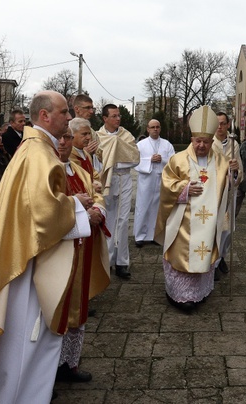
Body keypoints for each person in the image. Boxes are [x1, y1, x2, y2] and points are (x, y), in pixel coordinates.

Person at [0, 91, 91, 404]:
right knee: (28, 338)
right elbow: (44, 215)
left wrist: (71, 204)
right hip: (29, 265)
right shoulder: (40, 155)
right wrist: (80, 208)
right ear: (44, 116)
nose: (68, 117)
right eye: (63, 112)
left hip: (19, 255)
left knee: (16, 339)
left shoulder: (32, 148)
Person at [154, 106, 230, 312]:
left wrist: (235, 175)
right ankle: (179, 294)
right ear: (192, 139)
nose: (202, 145)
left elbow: (230, 186)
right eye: (198, 141)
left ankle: (198, 292)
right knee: (182, 255)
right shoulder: (178, 160)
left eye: (206, 141)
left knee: (204, 255)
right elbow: (166, 184)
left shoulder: (221, 161)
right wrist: (184, 189)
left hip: (209, 221)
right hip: (183, 220)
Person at [55, 126, 110, 383]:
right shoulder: (49, 172)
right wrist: (82, 213)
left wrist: (98, 209)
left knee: (78, 305)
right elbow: (46, 210)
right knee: (59, 307)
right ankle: (51, 368)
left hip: (83, 247)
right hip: (59, 252)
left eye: (67, 137)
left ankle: (69, 363)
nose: (64, 142)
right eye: (60, 138)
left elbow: (95, 192)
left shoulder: (78, 169)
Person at [96, 104, 139, 279]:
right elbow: (95, 159)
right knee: (107, 219)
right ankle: (107, 259)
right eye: (113, 116)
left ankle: (122, 262)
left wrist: (116, 161)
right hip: (105, 179)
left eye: (118, 115)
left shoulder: (126, 135)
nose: (118, 119)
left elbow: (134, 158)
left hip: (123, 178)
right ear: (105, 118)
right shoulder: (98, 137)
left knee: (122, 221)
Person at [134, 119, 174, 247]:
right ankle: (139, 236)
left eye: (157, 127)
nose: (155, 129)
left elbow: (174, 161)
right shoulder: (141, 145)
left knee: (157, 208)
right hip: (146, 179)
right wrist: (149, 160)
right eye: (152, 127)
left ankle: (154, 235)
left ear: (160, 128)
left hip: (162, 179)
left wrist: (162, 160)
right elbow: (135, 161)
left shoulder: (167, 144)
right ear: (148, 129)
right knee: (143, 206)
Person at [212, 112, 242, 276]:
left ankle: (222, 256)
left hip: (230, 192)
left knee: (228, 229)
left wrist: (236, 170)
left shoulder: (233, 144)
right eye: (217, 123)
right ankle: (213, 263)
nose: (220, 127)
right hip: (215, 192)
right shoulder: (209, 143)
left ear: (228, 125)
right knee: (216, 227)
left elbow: (240, 169)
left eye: (223, 123)